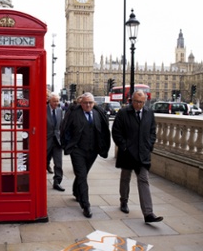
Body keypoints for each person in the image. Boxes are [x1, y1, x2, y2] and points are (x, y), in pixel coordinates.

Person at [112, 90, 163, 223]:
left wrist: (149, 146)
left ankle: (148, 213)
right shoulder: (123, 113)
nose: (138, 104)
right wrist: (124, 146)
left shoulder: (149, 113)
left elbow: (152, 131)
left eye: (140, 102)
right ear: (131, 100)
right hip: (128, 153)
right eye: (135, 101)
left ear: (144, 102)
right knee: (125, 178)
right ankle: (124, 201)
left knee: (144, 180)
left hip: (142, 154)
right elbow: (116, 132)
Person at [60, 92, 111, 218]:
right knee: (82, 176)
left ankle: (76, 191)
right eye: (85, 103)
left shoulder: (98, 113)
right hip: (77, 150)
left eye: (90, 103)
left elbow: (104, 130)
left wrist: (103, 147)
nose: (88, 105)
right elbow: (65, 128)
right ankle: (86, 205)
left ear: (94, 103)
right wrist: (68, 145)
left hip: (93, 150)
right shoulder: (73, 113)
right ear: (81, 103)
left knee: (83, 174)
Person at [47, 93, 64, 191]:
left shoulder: (60, 110)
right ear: (49, 101)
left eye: (58, 101)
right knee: (43, 161)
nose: (56, 103)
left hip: (57, 141)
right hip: (46, 140)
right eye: (54, 101)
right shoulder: (43, 109)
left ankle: (57, 182)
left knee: (58, 163)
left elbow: (61, 126)